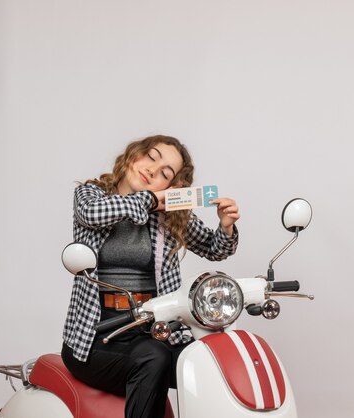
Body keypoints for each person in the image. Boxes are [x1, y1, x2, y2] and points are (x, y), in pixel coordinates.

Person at [60, 135, 239, 418]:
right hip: (96, 338)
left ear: (170, 186)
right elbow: (90, 214)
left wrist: (226, 227)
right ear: (134, 155)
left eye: (166, 173)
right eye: (151, 157)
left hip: (151, 330)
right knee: (153, 357)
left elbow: (213, 248)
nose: (153, 171)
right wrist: (151, 199)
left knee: (209, 357)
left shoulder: (166, 216)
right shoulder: (91, 194)